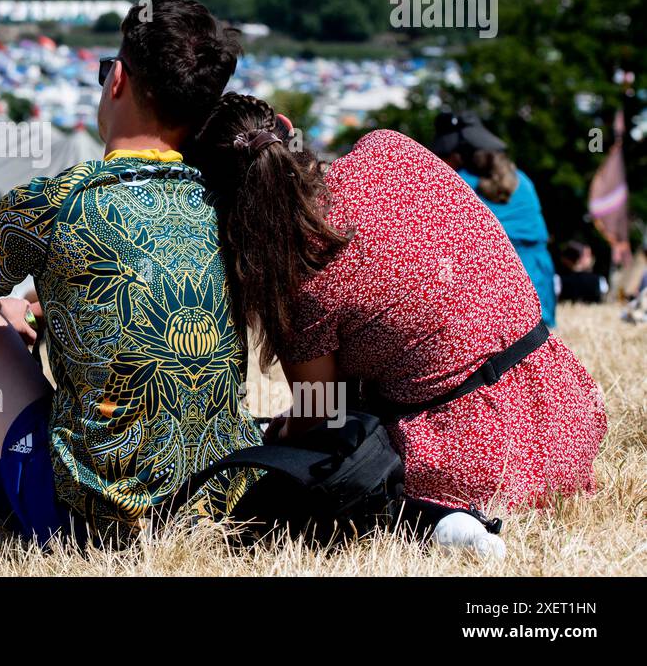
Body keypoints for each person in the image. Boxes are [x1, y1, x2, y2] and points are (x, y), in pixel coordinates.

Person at [0, 0, 258, 544]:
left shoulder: (57, 201)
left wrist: (10, 309)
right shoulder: (231, 203)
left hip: (86, 522)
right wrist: (55, 303)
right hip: (219, 506)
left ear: (116, 80)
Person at [186, 94, 606, 518]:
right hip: (566, 415)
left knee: (314, 493)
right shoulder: (389, 149)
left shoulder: (299, 270)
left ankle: (435, 525)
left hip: (481, 463)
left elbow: (321, 416)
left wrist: (282, 431)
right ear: (285, 124)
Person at [432, 111, 557, 327]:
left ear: (456, 155)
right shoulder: (523, 181)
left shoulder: (457, 185)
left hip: (494, 281)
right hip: (538, 277)